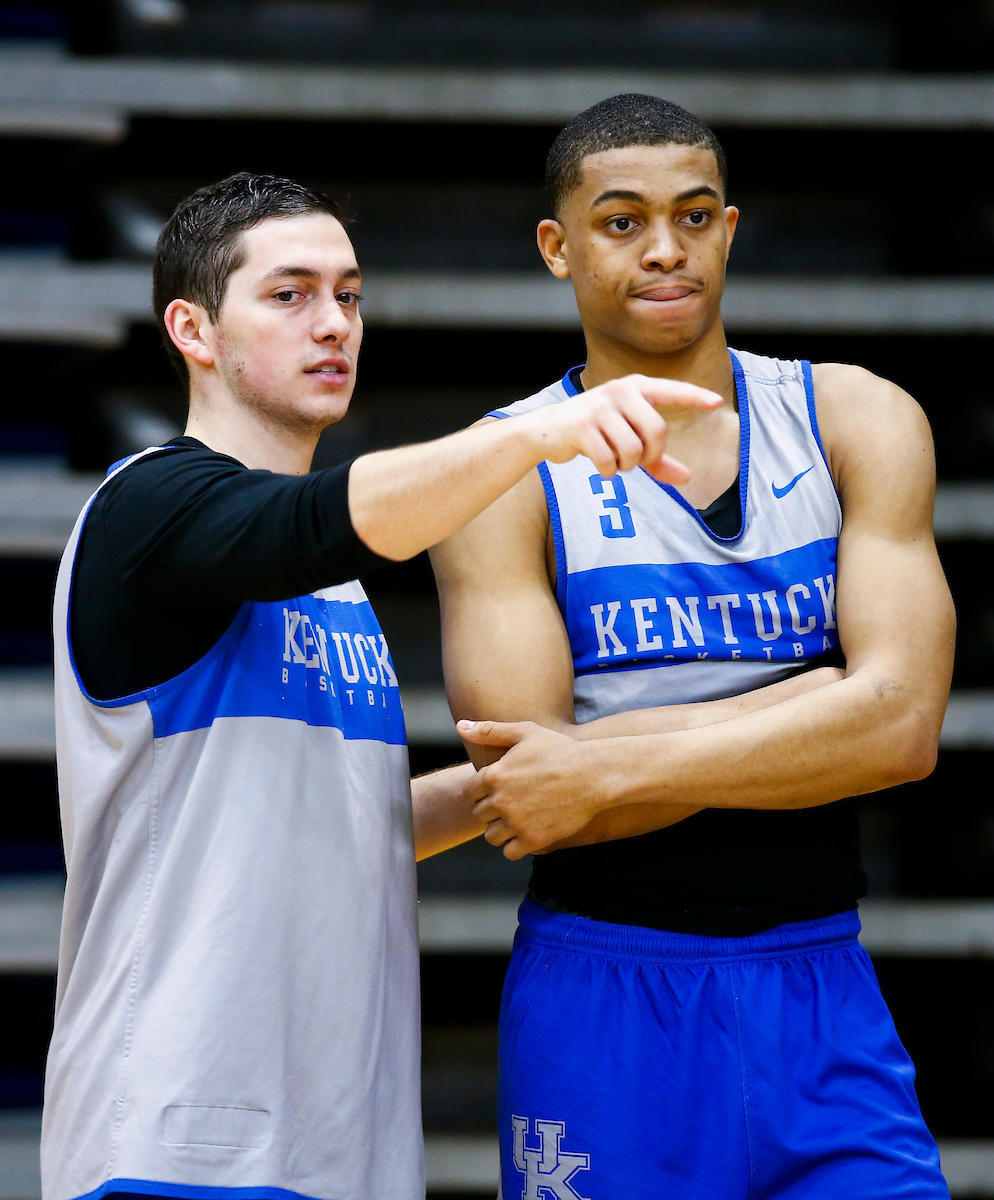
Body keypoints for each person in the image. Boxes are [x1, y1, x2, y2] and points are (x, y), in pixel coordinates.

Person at [41, 171, 721, 1200]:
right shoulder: (152, 509)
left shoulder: (334, 586)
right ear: (191, 329)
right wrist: (533, 435)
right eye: (289, 295)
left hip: (340, 1143)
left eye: (348, 296)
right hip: (176, 1139)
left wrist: (553, 775)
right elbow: (316, 519)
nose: (332, 324)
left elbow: (332, 820)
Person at [431, 96, 955, 1198]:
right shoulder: (496, 472)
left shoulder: (857, 419)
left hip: (819, 983)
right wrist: (815, 703)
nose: (664, 248)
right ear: (556, 248)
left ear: (729, 228)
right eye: (620, 222)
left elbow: (902, 732)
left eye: (694, 214)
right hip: (603, 993)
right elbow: (536, 794)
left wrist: (609, 756)